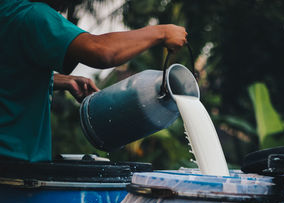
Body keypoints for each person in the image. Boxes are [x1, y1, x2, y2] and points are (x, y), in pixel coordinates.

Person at [0, 0, 187, 162]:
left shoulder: (7, 11)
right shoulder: (32, 14)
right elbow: (101, 51)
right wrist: (161, 32)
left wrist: (58, 80)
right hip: (15, 169)